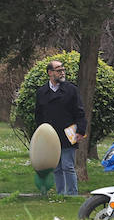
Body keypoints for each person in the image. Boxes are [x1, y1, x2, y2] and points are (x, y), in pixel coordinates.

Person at [35, 58, 88, 196]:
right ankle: (60, 194)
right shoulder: (41, 92)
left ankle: (71, 195)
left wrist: (81, 131)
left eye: (63, 70)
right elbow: (38, 116)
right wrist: (39, 136)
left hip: (68, 134)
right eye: (59, 70)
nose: (62, 73)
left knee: (68, 166)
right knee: (56, 167)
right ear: (50, 73)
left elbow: (80, 112)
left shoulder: (71, 90)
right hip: (50, 137)